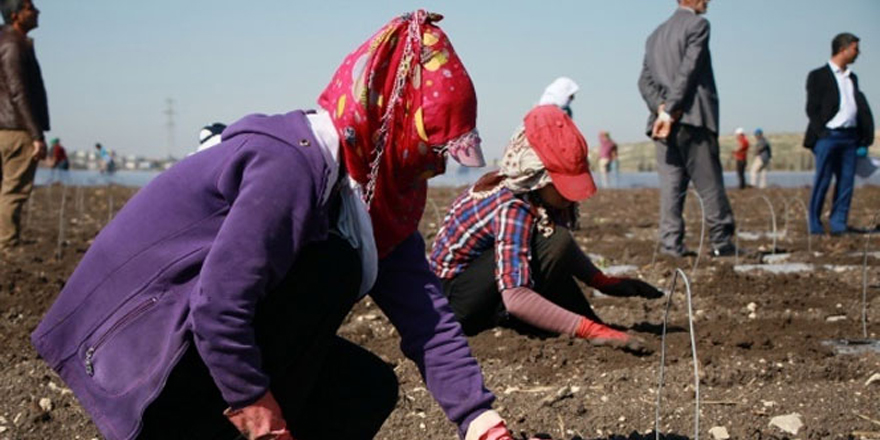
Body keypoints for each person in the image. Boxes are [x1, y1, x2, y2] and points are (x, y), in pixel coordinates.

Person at [32, 11, 525, 440]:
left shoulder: (369, 203)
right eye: (427, 152)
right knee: (331, 267)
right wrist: (256, 407)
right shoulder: (289, 165)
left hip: (195, 346)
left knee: (365, 387)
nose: (434, 170)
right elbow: (220, 306)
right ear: (387, 125)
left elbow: (430, 321)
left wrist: (484, 423)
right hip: (136, 355)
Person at [431, 105, 662, 353]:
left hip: (481, 285)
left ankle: (572, 321)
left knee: (553, 240)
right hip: (452, 305)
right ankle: (508, 320)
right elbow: (516, 296)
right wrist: (587, 329)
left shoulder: (536, 197)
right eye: (560, 184)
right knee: (551, 243)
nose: (569, 196)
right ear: (537, 176)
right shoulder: (513, 204)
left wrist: (600, 280)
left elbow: (553, 247)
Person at [637, 0, 737, 257]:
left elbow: (644, 80)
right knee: (709, 183)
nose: (708, 1)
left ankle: (671, 245)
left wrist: (659, 108)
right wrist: (669, 110)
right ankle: (721, 242)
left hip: (662, 124)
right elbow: (688, 70)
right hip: (692, 118)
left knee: (671, 186)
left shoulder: (655, 35)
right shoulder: (698, 25)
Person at [804, 32, 874, 235]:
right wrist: (822, 133)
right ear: (843, 49)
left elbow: (858, 106)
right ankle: (815, 226)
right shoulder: (818, 76)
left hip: (850, 138)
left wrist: (863, 137)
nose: (858, 53)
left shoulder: (852, 77)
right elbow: (812, 109)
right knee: (823, 180)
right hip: (828, 137)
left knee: (846, 182)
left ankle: (838, 225)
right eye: (855, 48)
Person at [0, 0, 47, 250]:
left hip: (6, 126)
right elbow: (19, 92)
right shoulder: (13, 44)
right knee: (13, 191)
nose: (37, 11)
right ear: (16, 15)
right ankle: (7, 246)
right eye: (30, 8)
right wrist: (36, 134)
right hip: (15, 129)